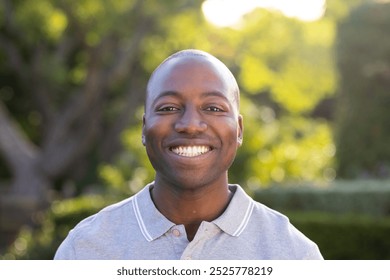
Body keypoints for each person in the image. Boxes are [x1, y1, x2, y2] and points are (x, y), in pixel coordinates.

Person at [54, 49, 323, 260]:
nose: (191, 124)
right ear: (145, 128)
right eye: (169, 108)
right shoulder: (84, 250)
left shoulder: (295, 256)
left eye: (214, 108)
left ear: (239, 130)